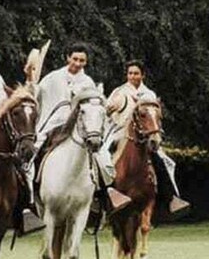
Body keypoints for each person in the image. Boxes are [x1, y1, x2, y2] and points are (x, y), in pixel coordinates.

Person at [33, 42, 129, 212]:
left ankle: (105, 195)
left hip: (81, 130)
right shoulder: (52, 78)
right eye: (75, 59)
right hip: (54, 126)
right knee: (31, 155)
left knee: (102, 156)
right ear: (67, 57)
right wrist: (31, 83)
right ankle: (29, 200)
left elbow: (96, 106)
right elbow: (36, 98)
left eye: (82, 61)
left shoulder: (88, 82)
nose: (78, 63)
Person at [106, 60, 190, 214]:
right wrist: (110, 108)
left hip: (144, 135)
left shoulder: (149, 94)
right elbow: (107, 111)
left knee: (163, 160)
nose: (132, 76)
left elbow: (155, 115)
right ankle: (104, 194)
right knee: (103, 156)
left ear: (142, 75)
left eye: (136, 73)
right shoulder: (119, 91)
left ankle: (171, 197)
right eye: (130, 73)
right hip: (118, 132)